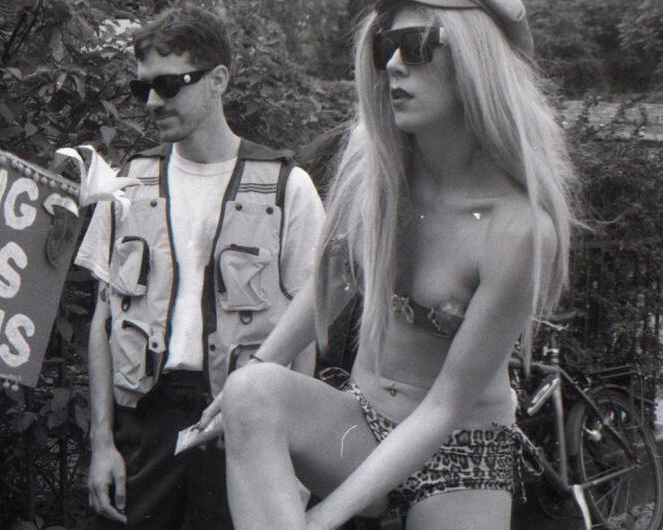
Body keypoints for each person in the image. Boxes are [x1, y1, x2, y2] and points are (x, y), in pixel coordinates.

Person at [200, 0, 579, 528]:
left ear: (477, 61)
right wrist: (256, 369)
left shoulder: (519, 230)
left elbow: (445, 407)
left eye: (417, 46)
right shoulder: (379, 163)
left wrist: (326, 514)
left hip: (461, 454)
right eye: (385, 47)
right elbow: (336, 277)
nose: (394, 65)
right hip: (362, 419)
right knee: (249, 389)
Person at [75, 6, 326, 528]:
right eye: (140, 87)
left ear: (218, 81)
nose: (151, 101)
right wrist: (102, 444)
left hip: (243, 423)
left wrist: (294, 460)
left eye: (168, 84)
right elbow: (102, 323)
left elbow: (308, 330)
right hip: (144, 424)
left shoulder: (288, 187)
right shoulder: (128, 183)